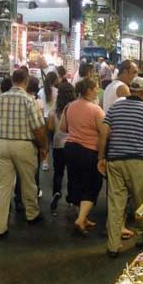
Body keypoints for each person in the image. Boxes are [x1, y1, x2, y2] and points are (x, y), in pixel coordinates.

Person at [97, 77, 143, 257]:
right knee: (141, 201)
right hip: (138, 161)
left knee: (116, 204)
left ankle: (113, 246)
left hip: (115, 160)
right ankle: (141, 238)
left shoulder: (115, 107)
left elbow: (104, 132)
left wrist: (101, 156)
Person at [0, 70, 48, 237]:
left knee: (2, 186)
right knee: (28, 182)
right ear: (26, 82)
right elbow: (38, 128)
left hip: (3, 144)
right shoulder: (29, 101)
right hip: (24, 146)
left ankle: (0, 226)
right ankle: (32, 214)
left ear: (12, 81)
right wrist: (43, 147)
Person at [60, 78, 105, 236]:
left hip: (71, 148)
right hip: (89, 150)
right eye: (96, 88)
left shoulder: (69, 106)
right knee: (92, 184)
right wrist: (102, 155)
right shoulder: (96, 110)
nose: (97, 91)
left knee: (77, 182)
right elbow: (104, 132)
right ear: (88, 91)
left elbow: (62, 127)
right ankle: (80, 219)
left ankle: (83, 217)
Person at [47, 82, 76, 215]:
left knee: (58, 172)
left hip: (58, 143)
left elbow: (51, 127)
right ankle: (71, 198)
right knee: (72, 173)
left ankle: (56, 193)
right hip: (72, 143)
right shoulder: (74, 107)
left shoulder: (55, 108)